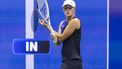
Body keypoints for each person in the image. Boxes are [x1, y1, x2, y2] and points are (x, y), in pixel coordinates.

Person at [39, 0, 82, 69]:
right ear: (63, 10)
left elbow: (61, 37)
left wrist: (48, 27)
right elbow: (58, 42)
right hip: (66, 60)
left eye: (70, 8)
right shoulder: (62, 23)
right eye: (65, 8)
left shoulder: (75, 21)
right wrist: (54, 38)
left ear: (74, 10)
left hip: (74, 61)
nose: (67, 10)